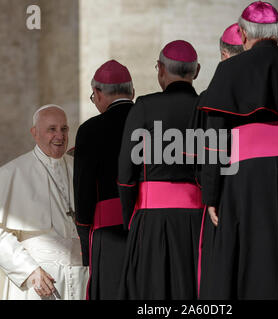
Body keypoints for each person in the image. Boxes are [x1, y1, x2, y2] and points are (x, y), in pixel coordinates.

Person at [198, 1, 278, 299]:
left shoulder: (229, 70)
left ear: (245, 34)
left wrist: (211, 194)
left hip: (247, 176)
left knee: (254, 255)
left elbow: (214, 140)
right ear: (277, 33)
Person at [0, 105, 88, 300]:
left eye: (64, 129)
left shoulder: (79, 169)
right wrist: (30, 270)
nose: (60, 136)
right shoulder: (13, 172)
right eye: (52, 129)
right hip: (39, 281)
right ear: (35, 133)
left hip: (81, 278)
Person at [117, 40, 203, 299]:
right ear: (196, 71)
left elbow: (125, 172)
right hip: (197, 221)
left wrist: (130, 219)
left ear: (161, 70)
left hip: (152, 220)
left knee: (152, 291)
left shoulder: (144, 106)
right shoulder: (207, 106)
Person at [190, 22, 244, 298]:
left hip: (226, 194)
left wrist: (210, 194)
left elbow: (209, 150)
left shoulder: (212, 95)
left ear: (223, 54)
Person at [73, 60, 134, 300]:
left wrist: (86, 241)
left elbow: (83, 191)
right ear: (132, 91)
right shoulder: (150, 120)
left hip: (109, 232)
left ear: (97, 93)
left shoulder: (90, 129)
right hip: (148, 225)